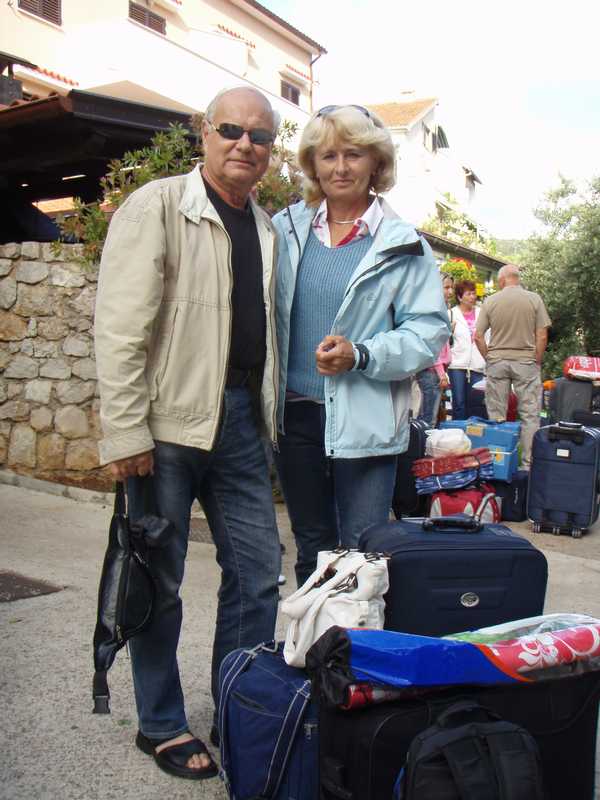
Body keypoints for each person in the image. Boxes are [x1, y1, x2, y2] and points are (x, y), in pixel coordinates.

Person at [94, 86, 282, 779]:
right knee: (159, 581)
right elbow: (120, 327)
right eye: (231, 129)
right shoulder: (160, 205)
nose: (244, 144)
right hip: (166, 423)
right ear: (205, 132)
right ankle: (161, 724)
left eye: (260, 136)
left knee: (259, 575)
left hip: (240, 421)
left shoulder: (265, 227)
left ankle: (237, 710)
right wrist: (125, 431)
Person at [272, 104, 449, 587]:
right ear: (313, 164)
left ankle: (354, 637)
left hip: (367, 417)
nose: (340, 167)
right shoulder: (284, 229)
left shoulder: (403, 243)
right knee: (311, 547)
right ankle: (314, 635)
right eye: (328, 156)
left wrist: (362, 354)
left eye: (353, 154)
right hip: (296, 415)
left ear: (376, 162)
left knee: (362, 552)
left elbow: (428, 330)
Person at [474, 263, 551, 468]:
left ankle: (497, 463)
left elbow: (478, 336)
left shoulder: (491, 301)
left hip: (497, 362)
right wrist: (537, 359)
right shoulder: (534, 299)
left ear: (501, 281)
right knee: (530, 415)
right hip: (526, 362)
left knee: (496, 415)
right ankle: (528, 464)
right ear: (517, 278)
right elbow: (542, 335)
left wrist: (489, 357)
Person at [415, 272, 454, 426]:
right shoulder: (433, 311)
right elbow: (433, 345)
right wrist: (441, 373)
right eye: (446, 287)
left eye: (451, 287)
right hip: (430, 371)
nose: (450, 292)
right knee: (428, 420)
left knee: (430, 418)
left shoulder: (441, 310)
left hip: (435, 370)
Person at [447, 279, 487, 420]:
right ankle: (458, 430)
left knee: (475, 403)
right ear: (459, 297)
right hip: (457, 365)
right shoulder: (450, 314)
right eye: (468, 294)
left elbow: (488, 338)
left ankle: (474, 431)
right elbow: (445, 341)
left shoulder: (482, 313)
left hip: (477, 365)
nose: (472, 297)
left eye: (473, 293)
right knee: (459, 403)